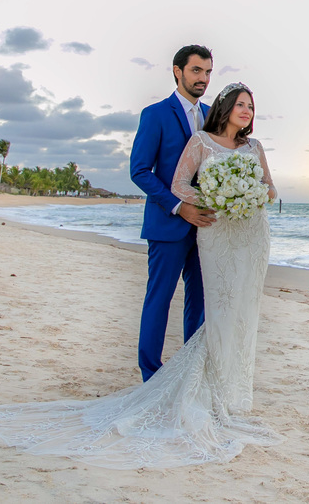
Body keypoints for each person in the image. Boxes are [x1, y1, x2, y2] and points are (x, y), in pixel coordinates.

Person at [0, 82, 282, 468]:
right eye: (240, 103)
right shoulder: (169, 120)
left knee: (222, 310)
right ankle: (155, 379)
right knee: (162, 300)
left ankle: (219, 388)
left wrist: (244, 198)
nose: (246, 109)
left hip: (240, 236)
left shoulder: (249, 144)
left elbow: (269, 189)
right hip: (186, 224)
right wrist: (205, 200)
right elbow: (151, 174)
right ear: (179, 72)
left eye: (251, 105)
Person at [129, 44, 216, 381]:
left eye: (208, 72)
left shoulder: (212, 116)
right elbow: (140, 171)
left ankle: (189, 370)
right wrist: (180, 207)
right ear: (177, 71)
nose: (203, 79)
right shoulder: (155, 114)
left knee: (200, 301)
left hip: (207, 226)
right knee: (159, 298)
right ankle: (150, 373)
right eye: (196, 71)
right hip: (168, 223)